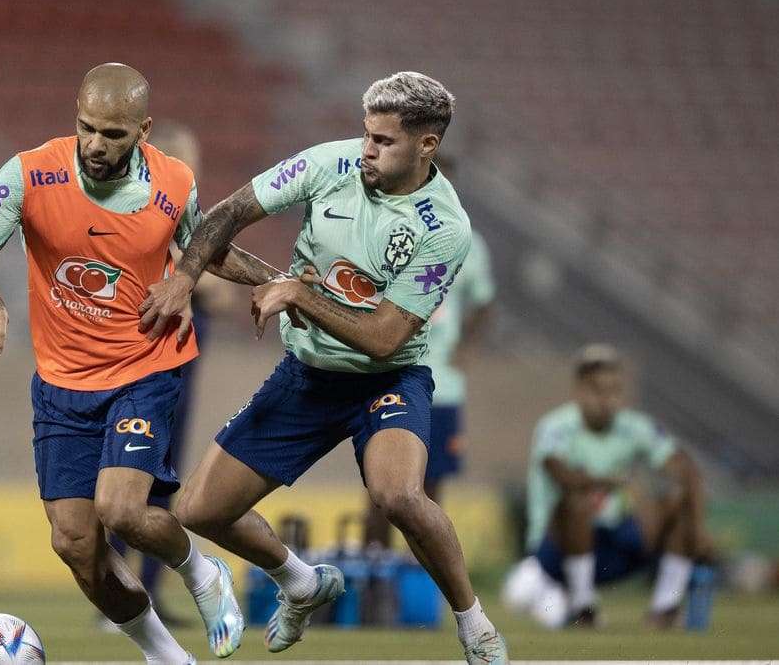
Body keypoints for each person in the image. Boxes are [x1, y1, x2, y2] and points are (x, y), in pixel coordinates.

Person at [140, 71, 508, 664]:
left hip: (387, 381)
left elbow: (385, 339)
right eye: (366, 134)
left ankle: (475, 625)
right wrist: (184, 280)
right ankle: (303, 582)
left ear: (427, 146)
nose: (367, 149)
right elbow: (227, 214)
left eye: (384, 141)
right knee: (199, 511)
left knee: (399, 497)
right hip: (307, 375)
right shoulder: (327, 165)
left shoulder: (446, 228)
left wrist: (297, 294)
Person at [0, 63, 291, 662]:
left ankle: (203, 575)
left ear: (143, 131)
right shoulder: (29, 173)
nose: (96, 145)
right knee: (75, 542)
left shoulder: (173, 182)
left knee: (122, 510)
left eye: (113, 134)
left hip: (145, 365)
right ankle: (164, 654)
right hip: (61, 382)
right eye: (87, 128)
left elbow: (208, 248)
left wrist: (281, 284)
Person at [104, 121, 236, 627]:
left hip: (182, 369)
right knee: (123, 477)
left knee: (165, 476)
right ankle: (116, 592)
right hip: (137, 364)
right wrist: (186, 277)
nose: (191, 172)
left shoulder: (196, 228)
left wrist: (183, 277)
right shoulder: (139, 216)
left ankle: (155, 591)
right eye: (184, 162)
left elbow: (220, 295)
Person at [503, 344, 712, 628]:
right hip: (555, 554)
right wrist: (611, 482)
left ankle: (665, 607)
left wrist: (697, 528)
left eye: (614, 391)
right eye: (597, 390)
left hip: (616, 542)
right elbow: (560, 474)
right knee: (576, 503)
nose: (606, 399)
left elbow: (685, 469)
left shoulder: (635, 427)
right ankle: (582, 607)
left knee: (678, 501)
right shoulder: (556, 426)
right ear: (579, 391)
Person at [365, 225, 494, 546]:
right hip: (391, 376)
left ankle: (424, 584)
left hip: (443, 384)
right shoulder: (391, 229)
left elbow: (484, 300)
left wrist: (467, 346)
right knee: (379, 490)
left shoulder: (468, 241)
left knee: (431, 489)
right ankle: (376, 582)